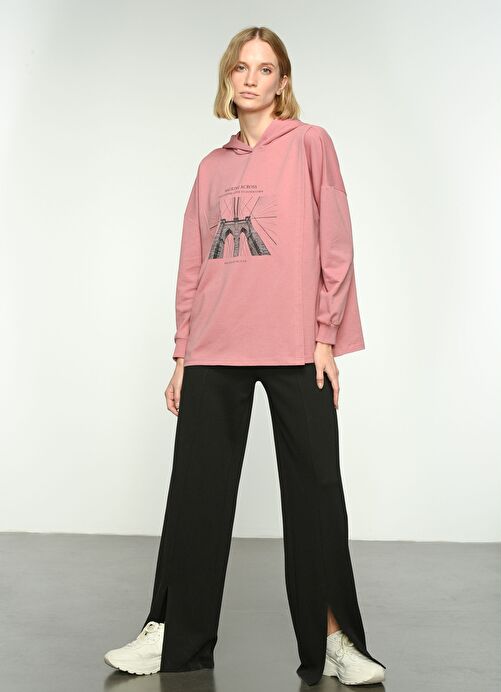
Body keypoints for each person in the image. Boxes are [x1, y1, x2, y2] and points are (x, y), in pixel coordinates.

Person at [103, 25, 387, 687]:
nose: (251, 78)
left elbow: (336, 246)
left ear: (282, 82)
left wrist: (325, 336)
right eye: (241, 67)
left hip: (295, 344)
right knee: (195, 496)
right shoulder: (212, 167)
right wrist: (182, 355)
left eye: (264, 68)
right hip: (213, 345)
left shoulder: (311, 144)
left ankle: (334, 638)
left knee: (316, 495)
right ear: (227, 79)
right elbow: (192, 265)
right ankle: (172, 634)